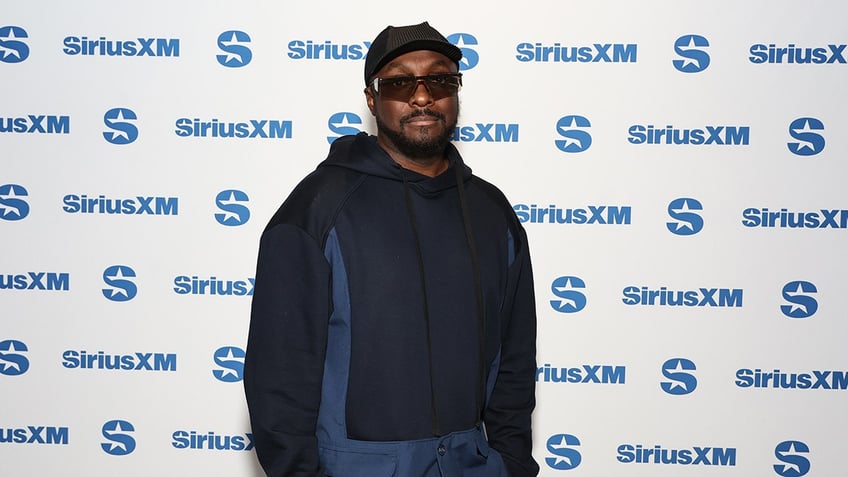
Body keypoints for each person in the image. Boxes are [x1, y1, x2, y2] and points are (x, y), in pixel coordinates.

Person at [244, 21, 539, 477]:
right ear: (371, 98)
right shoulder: (318, 208)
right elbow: (279, 375)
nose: (422, 97)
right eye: (400, 83)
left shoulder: (490, 210)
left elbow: (515, 361)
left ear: (456, 91)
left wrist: (512, 464)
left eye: (439, 80)